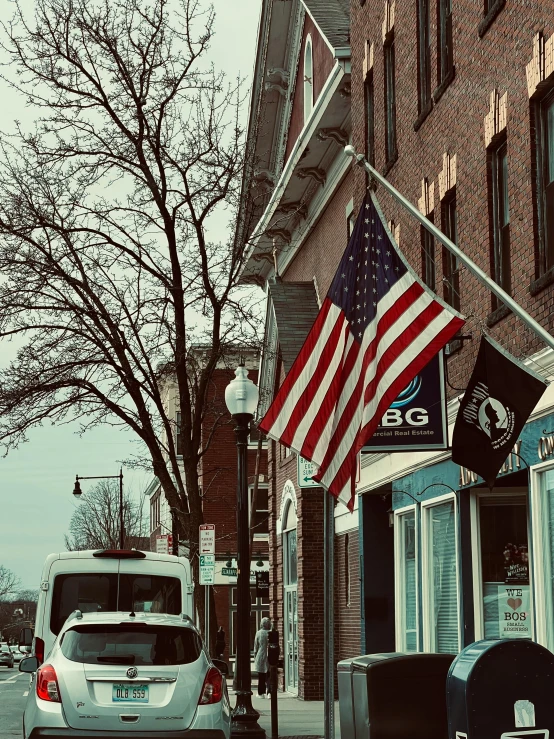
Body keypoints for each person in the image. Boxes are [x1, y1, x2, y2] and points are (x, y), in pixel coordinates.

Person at [253, 617, 271, 698]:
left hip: (260, 655)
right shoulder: (270, 633)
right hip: (269, 655)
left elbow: (255, 647)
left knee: (261, 676)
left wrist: (255, 656)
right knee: (269, 675)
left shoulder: (258, 633)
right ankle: (269, 692)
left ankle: (261, 693)